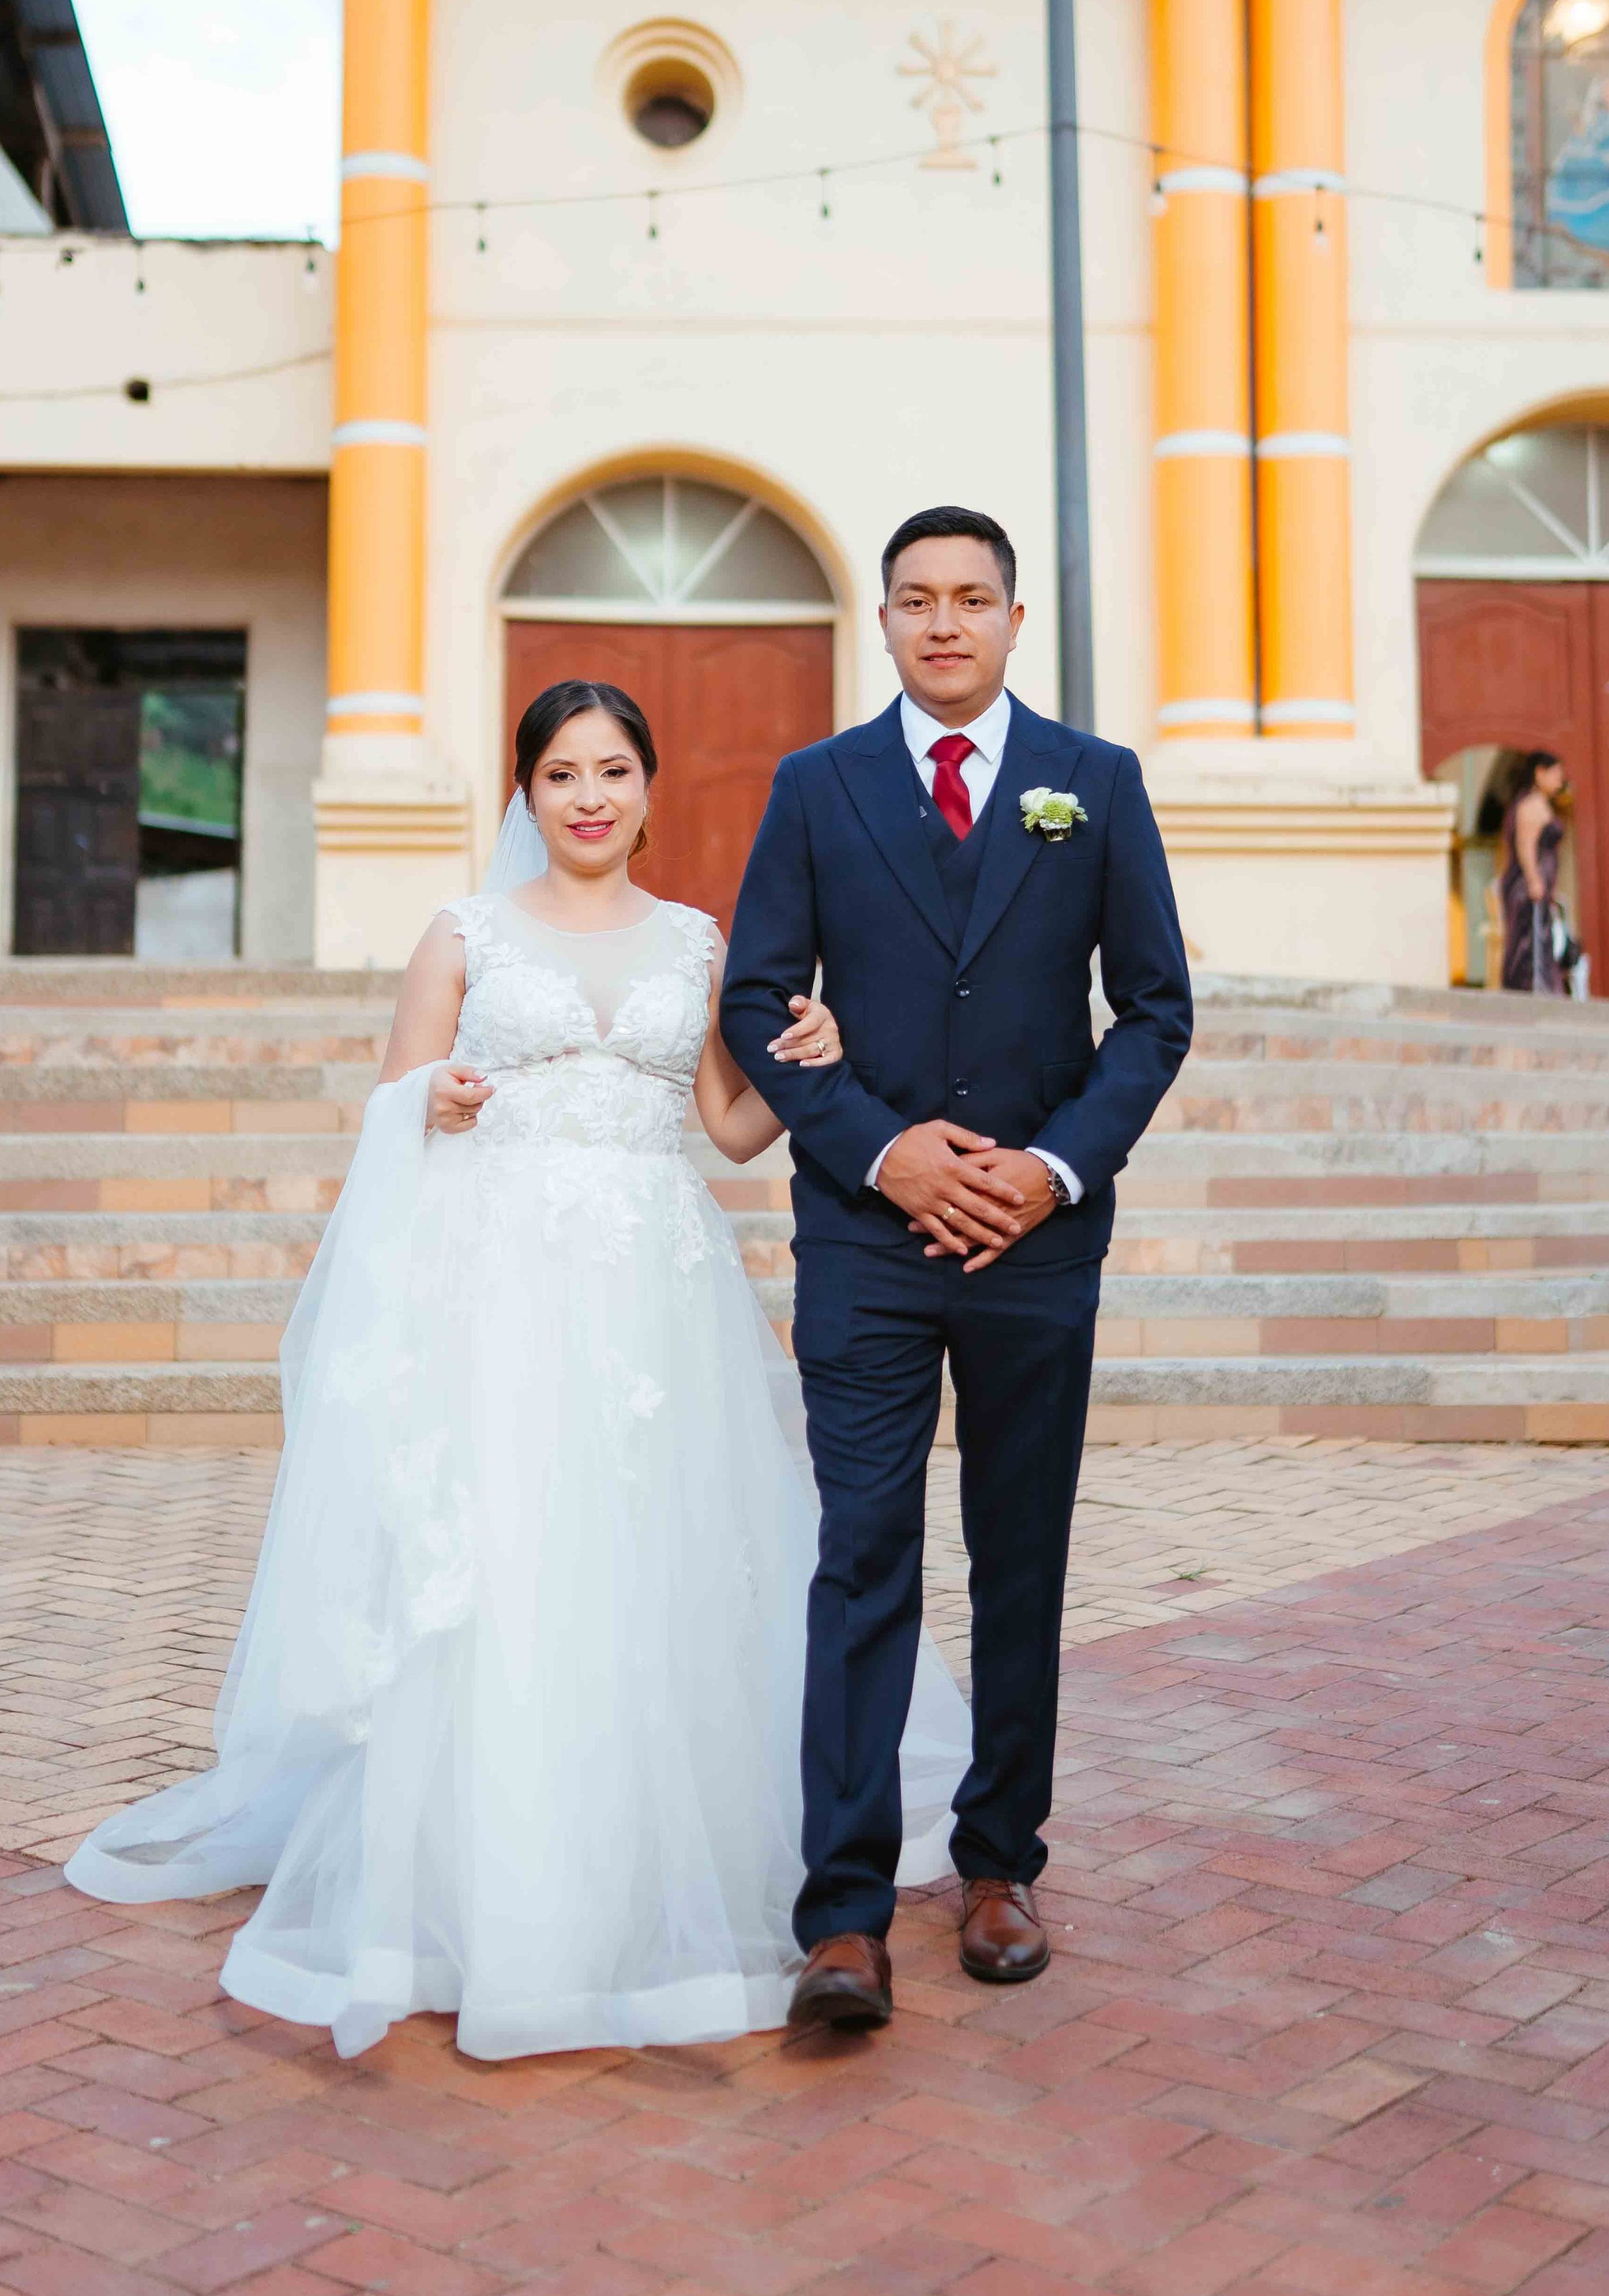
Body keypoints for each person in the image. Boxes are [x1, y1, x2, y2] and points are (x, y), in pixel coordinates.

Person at [65, 678, 970, 2062]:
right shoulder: (467, 934)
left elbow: (726, 1128)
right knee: (516, 1562)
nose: (590, 796)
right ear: (528, 792)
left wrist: (819, 1053)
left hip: (661, 1300)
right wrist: (431, 1103)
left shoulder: (697, 943)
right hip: (509, 1293)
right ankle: (491, 1885)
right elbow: (395, 1098)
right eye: (562, 774)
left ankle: (657, 1859)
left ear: (649, 789)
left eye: (613, 770)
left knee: (661, 1562)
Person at [722, 504, 1193, 2033]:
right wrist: (883, 1151)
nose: (944, 624)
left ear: (1010, 621)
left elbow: (1157, 1011)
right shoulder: (816, 788)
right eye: (916, 600)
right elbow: (754, 999)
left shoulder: (1096, 786)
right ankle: (844, 1914)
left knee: (1020, 1559)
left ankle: (999, 1868)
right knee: (860, 1555)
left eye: (971, 599)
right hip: (867, 1239)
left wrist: (1049, 1171)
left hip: (1037, 1243)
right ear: (882, 621)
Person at [1499, 749, 1574, 994]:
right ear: (1539, 773)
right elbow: (1525, 845)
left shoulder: (1542, 804)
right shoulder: (1530, 805)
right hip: (1527, 888)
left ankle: (1544, 986)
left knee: (1543, 938)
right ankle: (1529, 987)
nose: (1559, 780)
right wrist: (1533, 879)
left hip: (1542, 886)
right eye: (1555, 774)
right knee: (1528, 941)